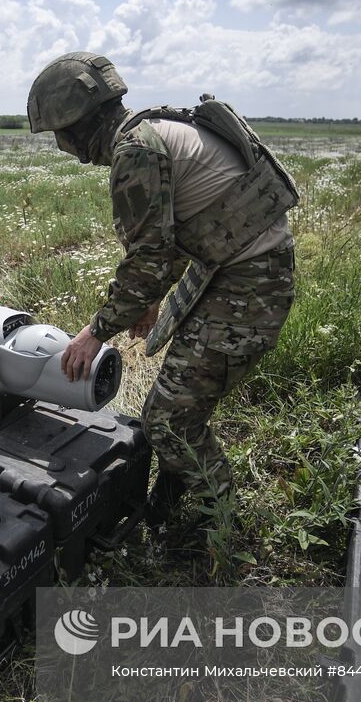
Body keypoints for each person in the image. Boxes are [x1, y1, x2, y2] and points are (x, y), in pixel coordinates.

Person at [27, 51, 298, 542]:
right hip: (239, 273)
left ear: (75, 126)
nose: (62, 147)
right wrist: (150, 295)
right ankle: (168, 503)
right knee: (179, 402)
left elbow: (150, 258)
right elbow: (181, 232)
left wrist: (95, 332)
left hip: (246, 286)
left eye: (57, 135)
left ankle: (221, 524)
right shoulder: (154, 126)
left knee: (168, 420)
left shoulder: (136, 150)